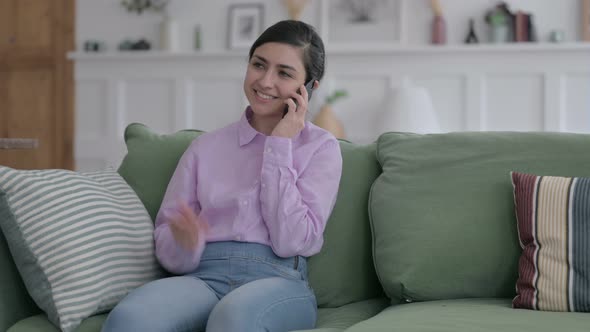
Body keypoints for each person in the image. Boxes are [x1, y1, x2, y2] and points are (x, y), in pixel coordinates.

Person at [101, 20, 343, 332]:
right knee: (128, 319)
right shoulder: (204, 147)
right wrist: (184, 244)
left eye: (284, 73)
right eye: (258, 65)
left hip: (278, 281)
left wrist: (279, 146)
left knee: (233, 319)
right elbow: (168, 241)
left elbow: (292, 241)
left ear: (308, 87)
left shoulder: (322, 148)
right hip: (201, 277)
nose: (265, 81)